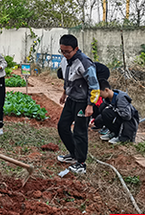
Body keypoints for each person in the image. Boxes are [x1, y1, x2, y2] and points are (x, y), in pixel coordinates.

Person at [56, 34, 101, 174]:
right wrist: (64, 93)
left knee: (79, 132)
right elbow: (67, 79)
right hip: (71, 99)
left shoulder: (85, 63)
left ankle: (81, 163)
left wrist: (90, 105)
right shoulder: (64, 60)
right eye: (62, 51)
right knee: (62, 126)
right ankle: (73, 154)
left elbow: (94, 85)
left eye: (67, 51)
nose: (65, 54)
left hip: (83, 102)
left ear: (76, 49)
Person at [90, 78, 139, 144]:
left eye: (100, 93)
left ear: (106, 90)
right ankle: (114, 133)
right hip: (121, 117)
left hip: (130, 122)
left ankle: (124, 137)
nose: (99, 95)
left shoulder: (121, 98)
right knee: (103, 113)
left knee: (107, 112)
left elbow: (127, 116)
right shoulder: (108, 99)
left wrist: (114, 110)